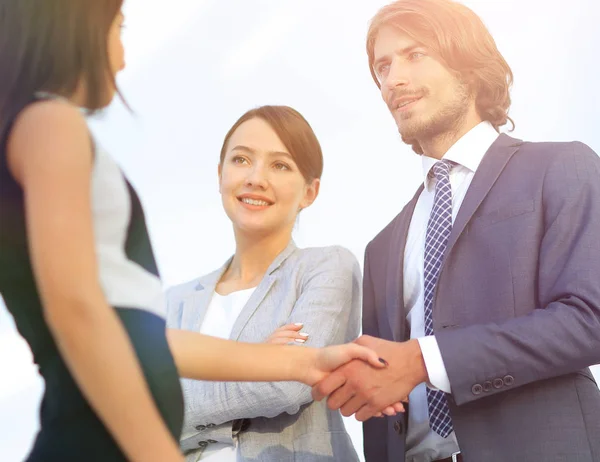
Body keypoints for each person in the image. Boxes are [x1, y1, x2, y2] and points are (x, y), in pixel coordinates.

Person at [0, 2, 386, 461]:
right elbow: (78, 311)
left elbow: (137, 337)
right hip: (92, 437)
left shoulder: (39, 126)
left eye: (279, 165)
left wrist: (302, 361)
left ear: (310, 190)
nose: (123, 57)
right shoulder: (51, 123)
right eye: (118, 28)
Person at [312, 0, 600, 461]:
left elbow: (592, 318)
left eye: (414, 55)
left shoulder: (561, 166)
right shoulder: (382, 246)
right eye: (382, 67)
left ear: (468, 66)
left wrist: (426, 358)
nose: (393, 79)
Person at [165, 105, 362, 461]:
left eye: (280, 165)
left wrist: (174, 402)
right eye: (241, 160)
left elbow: (288, 384)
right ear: (219, 174)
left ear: (309, 191)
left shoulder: (327, 267)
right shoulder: (174, 302)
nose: (256, 178)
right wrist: (263, 357)